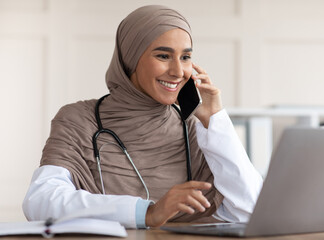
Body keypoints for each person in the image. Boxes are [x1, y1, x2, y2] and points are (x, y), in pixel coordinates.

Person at [22, 5, 263, 228]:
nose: (178, 71)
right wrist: (147, 213)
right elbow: (41, 201)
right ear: (130, 58)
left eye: (186, 57)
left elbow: (250, 209)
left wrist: (214, 119)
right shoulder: (79, 119)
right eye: (163, 56)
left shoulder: (191, 126)